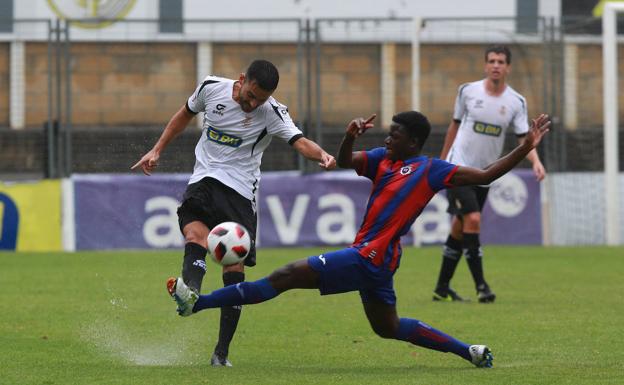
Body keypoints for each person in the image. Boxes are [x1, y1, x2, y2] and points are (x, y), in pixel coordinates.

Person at [166, 110, 551, 368]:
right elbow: (349, 161)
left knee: (282, 277)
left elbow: (484, 175)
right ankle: (469, 352)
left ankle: (197, 304)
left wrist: (524, 148)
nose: (388, 136)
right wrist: (349, 137)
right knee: (388, 327)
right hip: (378, 261)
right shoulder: (384, 158)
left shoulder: (432, 170)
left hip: (369, 256)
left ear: (413, 142)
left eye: (395, 134)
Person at [132, 59, 336, 366]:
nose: (253, 104)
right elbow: (183, 115)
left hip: (239, 193)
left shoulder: (272, 112)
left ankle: (221, 352)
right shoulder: (210, 88)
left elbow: (300, 141)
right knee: (194, 235)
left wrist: (321, 154)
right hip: (204, 180)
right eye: (251, 96)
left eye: (261, 100)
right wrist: (158, 148)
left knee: (233, 270)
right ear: (241, 80)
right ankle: (190, 295)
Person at [432, 45, 546, 303]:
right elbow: (454, 125)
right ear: (485, 65)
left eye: (501, 61)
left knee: (460, 227)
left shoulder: (516, 102)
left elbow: (524, 140)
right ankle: (482, 286)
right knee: (472, 218)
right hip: (458, 168)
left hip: (486, 174)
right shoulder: (467, 91)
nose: (496, 65)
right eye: (492, 61)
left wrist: (536, 161)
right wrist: (442, 161)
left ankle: (441, 287)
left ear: (508, 67)